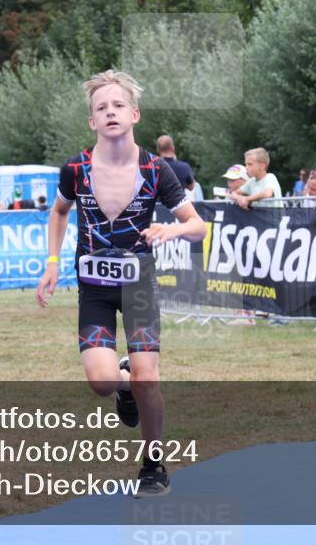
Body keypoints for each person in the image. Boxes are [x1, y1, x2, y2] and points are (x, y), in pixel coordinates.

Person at [36, 70, 206, 497]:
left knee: (150, 378)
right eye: (100, 108)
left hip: (139, 287)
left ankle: (153, 465)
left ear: (134, 114)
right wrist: (52, 262)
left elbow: (198, 226)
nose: (109, 112)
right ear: (92, 121)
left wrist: (172, 230)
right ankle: (122, 384)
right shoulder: (75, 169)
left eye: (117, 106)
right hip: (94, 288)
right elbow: (58, 213)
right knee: (102, 382)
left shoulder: (156, 168)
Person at [155, 134, 197, 199]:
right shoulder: (184, 167)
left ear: (158, 149)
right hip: (178, 207)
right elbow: (191, 187)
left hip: (157, 208)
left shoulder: (152, 167)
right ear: (173, 147)